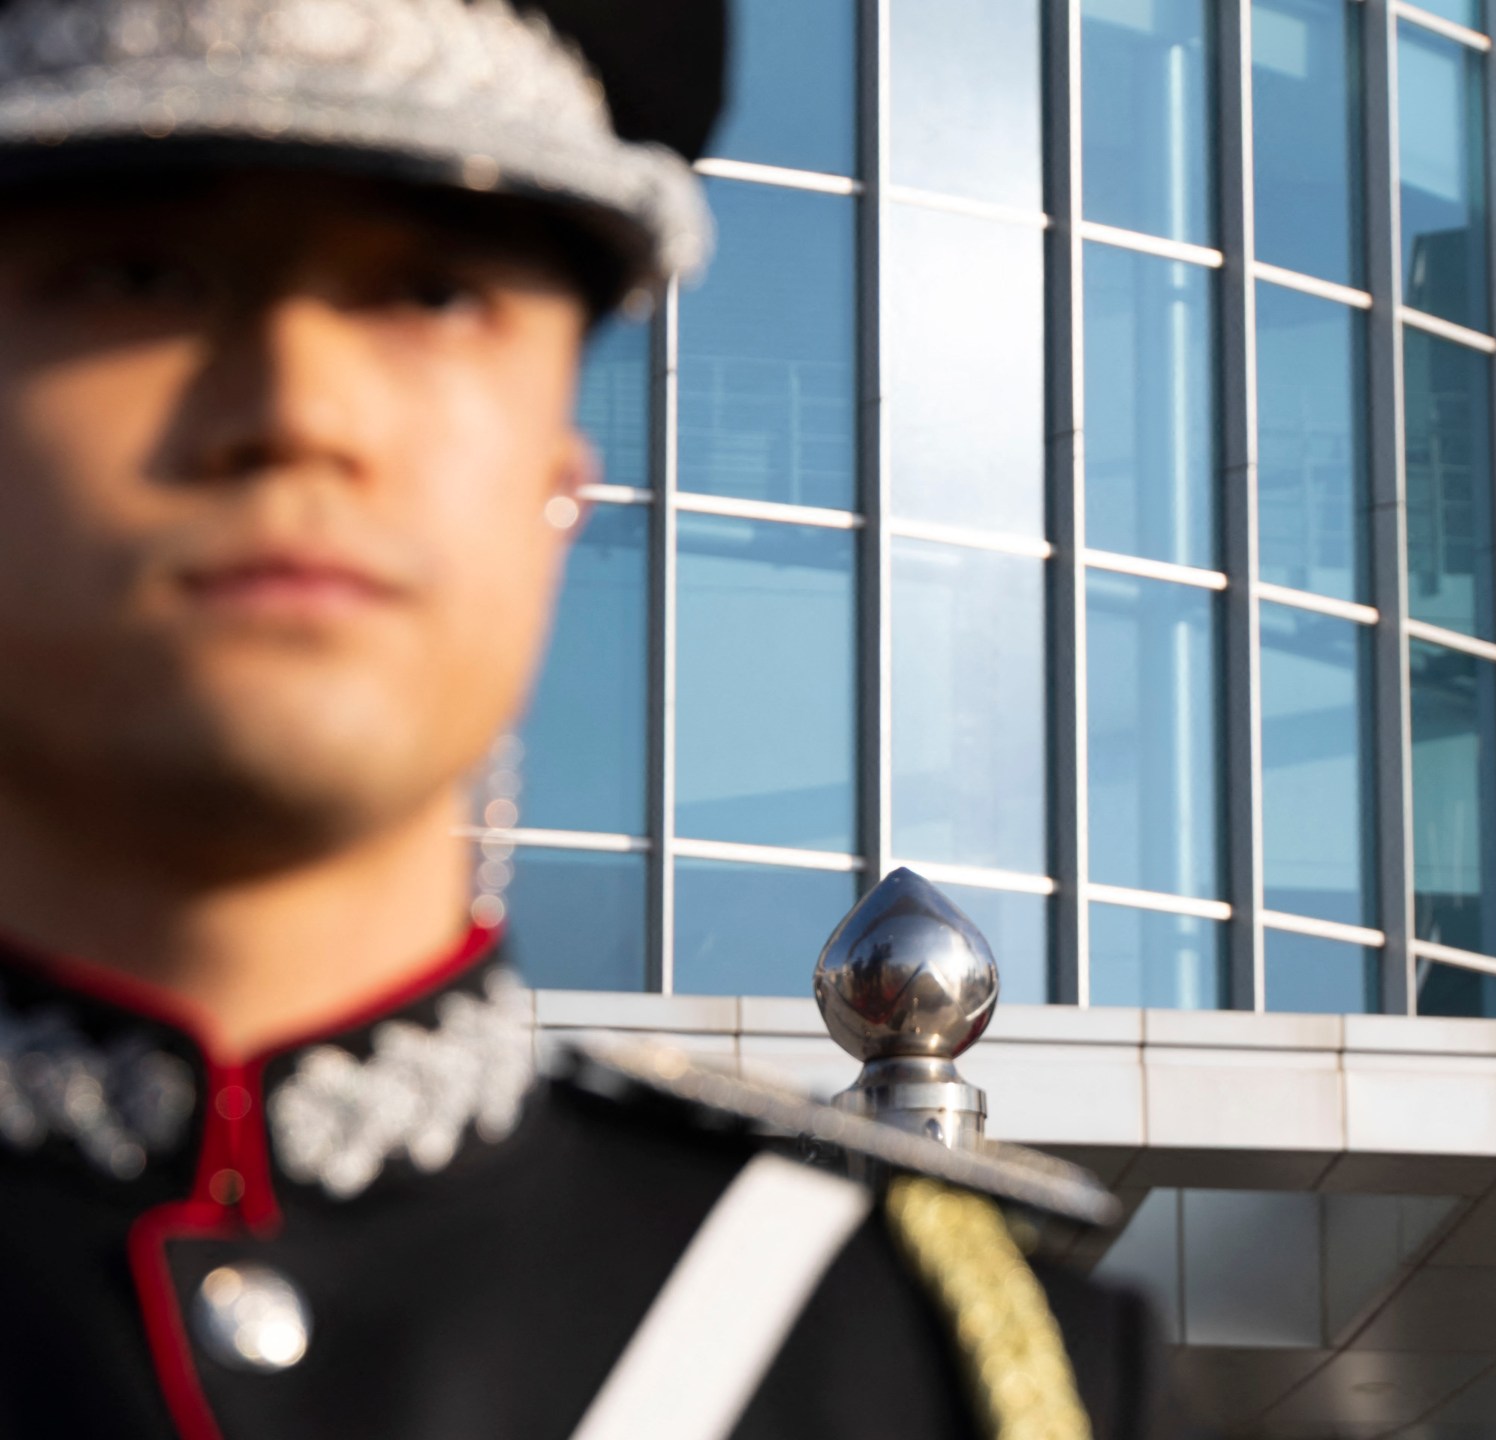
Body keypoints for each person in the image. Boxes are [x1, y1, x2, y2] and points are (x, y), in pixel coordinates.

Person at [0, 2, 1161, 1436]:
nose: (299, 406)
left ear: (563, 471)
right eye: (134, 271)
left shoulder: (946, 1373)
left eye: (431, 293)